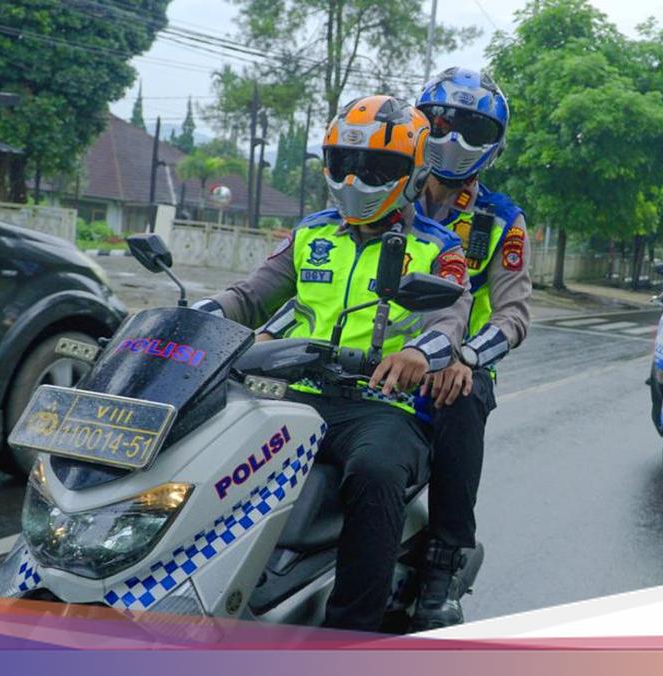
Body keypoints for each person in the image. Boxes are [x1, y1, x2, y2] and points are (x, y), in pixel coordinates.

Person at [191, 95, 472, 632]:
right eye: (344, 162)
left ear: (413, 174)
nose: (356, 178)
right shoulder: (310, 234)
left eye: (377, 168)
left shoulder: (439, 247)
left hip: (382, 407)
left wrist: (417, 353)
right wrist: (189, 317)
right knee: (209, 452)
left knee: (375, 472)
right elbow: (250, 296)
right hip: (292, 395)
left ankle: (351, 629)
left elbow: (451, 321)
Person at [404, 66, 531, 630]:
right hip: (366, 353)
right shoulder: (384, 192)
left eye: (472, 131)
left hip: (456, 364)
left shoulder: (501, 220)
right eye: (442, 123)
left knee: (460, 402)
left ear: (494, 147)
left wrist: (465, 358)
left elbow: (514, 315)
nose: (453, 141)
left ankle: (443, 564)